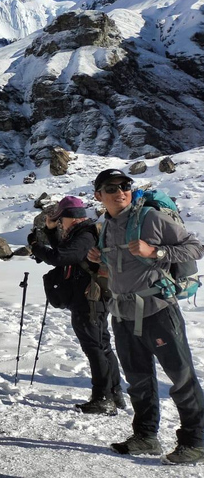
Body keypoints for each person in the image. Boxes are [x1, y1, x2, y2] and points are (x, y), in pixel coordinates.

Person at [87, 168, 204, 465]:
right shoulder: (106, 225)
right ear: (99, 195)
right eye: (111, 188)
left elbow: (194, 248)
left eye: (125, 185)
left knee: (181, 378)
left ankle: (197, 441)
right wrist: (100, 258)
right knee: (138, 379)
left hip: (158, 311)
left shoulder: (149, 218)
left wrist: (157, 252)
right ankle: (145, 437)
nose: (120, 192)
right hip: (123, 314)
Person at [30, 196, 123, 415]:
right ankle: (114, 393)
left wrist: (36, 246)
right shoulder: (82, 233)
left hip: (89, 299)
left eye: (61, 219)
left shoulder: (85, 235)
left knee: (95, 346)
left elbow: (61, 257)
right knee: (102, 345)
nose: (60, 223)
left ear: (68, 217)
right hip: (92, 297)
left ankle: (103, 398)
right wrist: (51, 232)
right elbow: (66, 252)